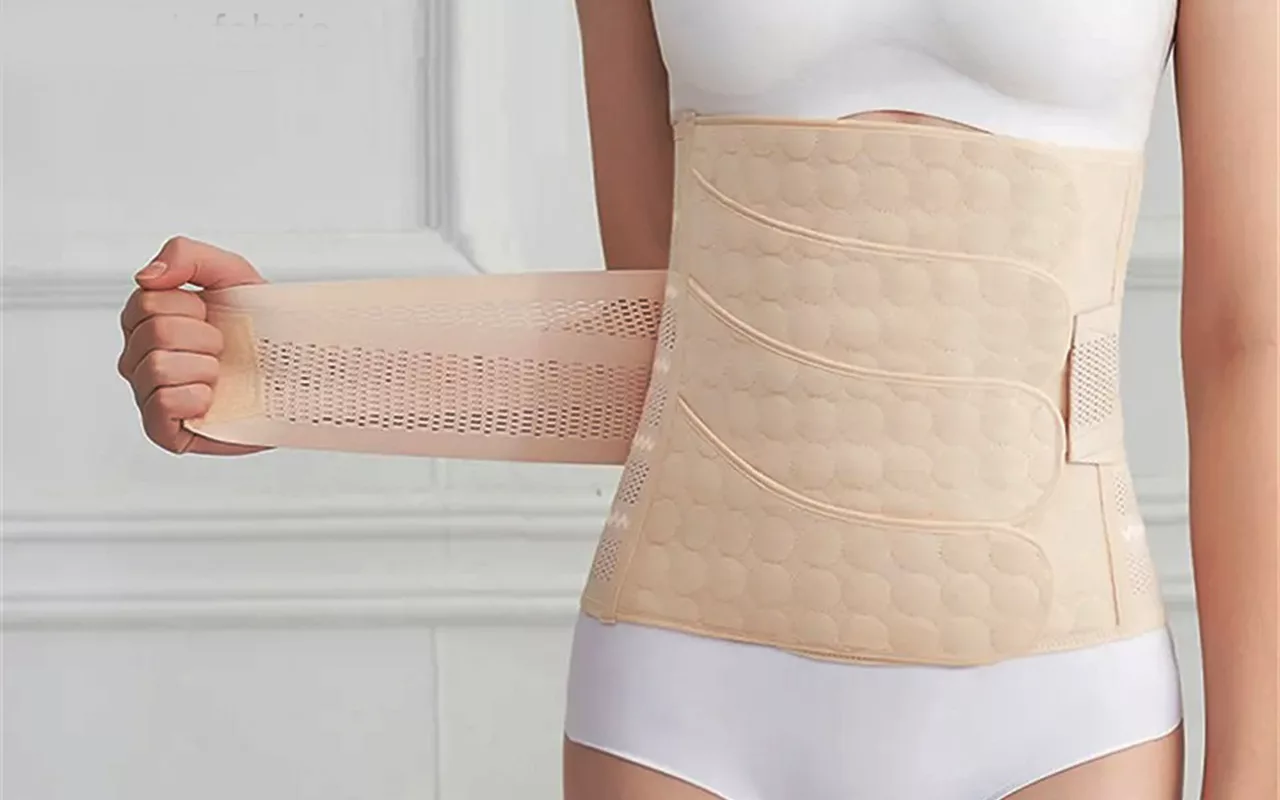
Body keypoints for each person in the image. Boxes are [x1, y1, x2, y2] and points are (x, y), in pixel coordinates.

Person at [116, 1, 1276, 798]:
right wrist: (278, 373)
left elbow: (1246, 339)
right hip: (689, 697)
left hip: (1063, 706)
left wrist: (1254, 773)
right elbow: (675, 347)